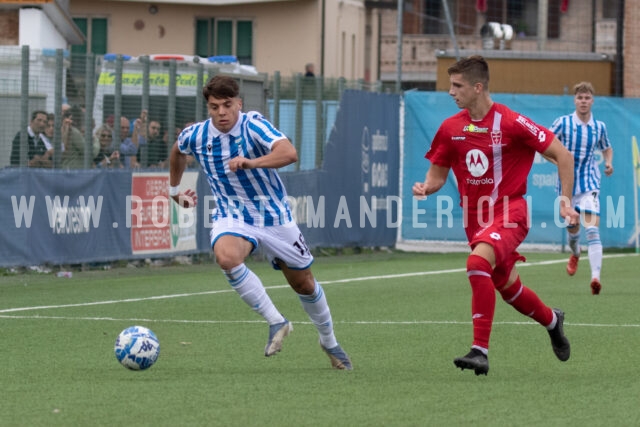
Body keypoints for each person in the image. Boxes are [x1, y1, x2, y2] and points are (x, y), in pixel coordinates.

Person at [169, 75, 352, 370]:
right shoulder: (197, 135)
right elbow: (178, 151)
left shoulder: (252, 123)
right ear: (208, 108)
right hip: (232, 215)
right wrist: (174, 192)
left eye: (227, 105)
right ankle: (276, 321)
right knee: (226, 257)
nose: (222, 112)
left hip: (274, 216)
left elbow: (288, 153)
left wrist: (252, 162)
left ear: (238, 104)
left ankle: (328, 340)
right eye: (215, 107)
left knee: (304, 284)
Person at [412, 55, 578, 376]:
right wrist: (426, 187)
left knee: (476, 264)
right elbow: (438, 174)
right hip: (474, 221)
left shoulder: (513, 122)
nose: (451, 92)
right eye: (451, 85)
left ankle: (480, 351)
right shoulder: (451, 129)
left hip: (510, 212)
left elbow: (563, 155)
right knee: (509, 289)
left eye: (457, 85)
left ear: (478, 87)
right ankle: (553, 321)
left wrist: (565, 200)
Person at [550, 82, 613, 295]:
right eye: (580, 98)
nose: (583, 101)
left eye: (587, 98)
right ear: (575, 101)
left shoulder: (599, 127)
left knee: (593, 229)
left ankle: (595, 278)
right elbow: (545, 144)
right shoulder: (563, 123)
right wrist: (556, 162)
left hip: (590, 182)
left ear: (592, 101)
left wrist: (608, 162)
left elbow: (607, 147)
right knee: (573, 229)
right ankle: (576, 253)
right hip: (567, 185)